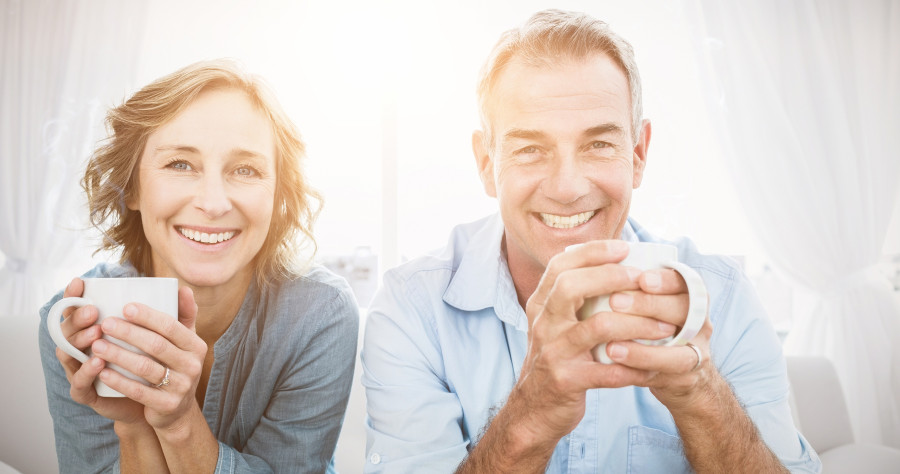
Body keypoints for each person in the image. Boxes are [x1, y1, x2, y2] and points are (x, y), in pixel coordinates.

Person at [361, 9, 821, 473]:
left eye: (599, 145)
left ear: (638, 154)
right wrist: (531, 415)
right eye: (530, 150)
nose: (567, 187)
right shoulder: (412, 310)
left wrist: (700, 395)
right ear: (486, 163)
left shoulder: (724, 299)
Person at [38, 59, 359, 473]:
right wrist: (134, 425)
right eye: (180, 164)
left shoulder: (319, 314)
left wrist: (177, 424)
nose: (213, 202)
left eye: (246, 170)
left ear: (279, 194)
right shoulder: (71, 327)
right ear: (131, 187)